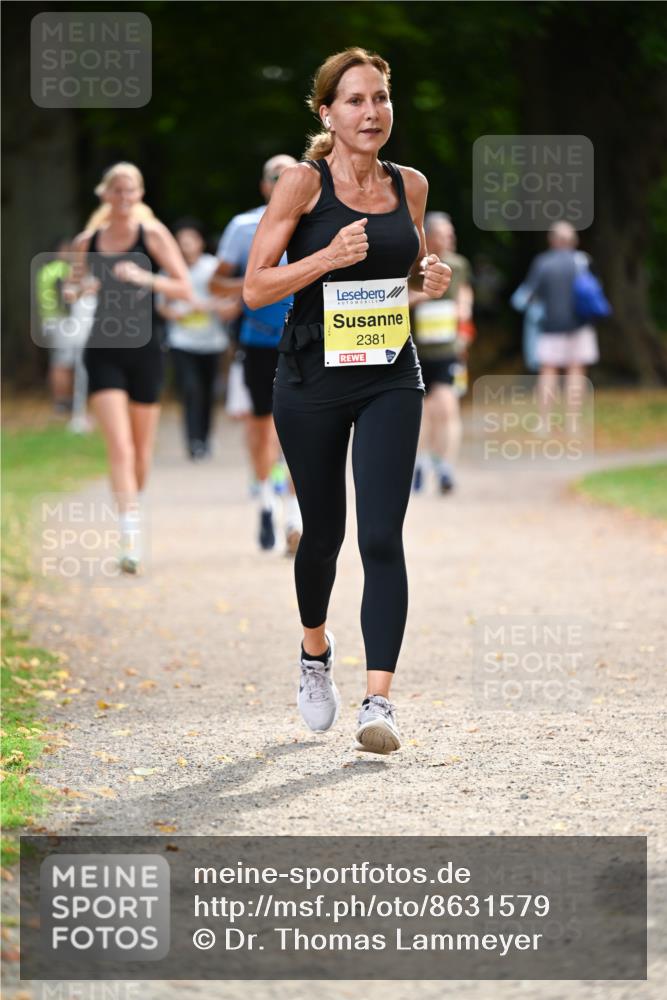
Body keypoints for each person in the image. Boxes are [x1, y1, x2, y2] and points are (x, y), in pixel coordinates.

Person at [243, 48, 451, 753]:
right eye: (356, 100)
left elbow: (406, 265)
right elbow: (255, 287)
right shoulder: (302, 185)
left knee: (380, 537)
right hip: (309, 378)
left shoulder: (410, 184)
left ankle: (379, 702)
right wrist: (325, 258)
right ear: (326, 113)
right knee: (324, 534)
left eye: (381, 99)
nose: (372, 112)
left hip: (390, 370)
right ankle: (313, 650)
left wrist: (428, 275)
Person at [69, 162, 191, 573]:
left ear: (139, 195)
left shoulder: (151, 235)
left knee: (140, 453)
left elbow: (184, 287)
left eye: (131, 190)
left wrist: (145, 278)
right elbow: (70, 289)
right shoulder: (87, 242)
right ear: (104, 194)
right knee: (119, 447)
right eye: (116, 191)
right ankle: (130, 536)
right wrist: (82, 288)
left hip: (145, 350)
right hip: (102, 350)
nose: (123, 198)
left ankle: (130, 511)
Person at [212, 155, 302, 554]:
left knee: (301, 429)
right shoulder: (243, 226)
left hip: (307, 341)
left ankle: (296, 518)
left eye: (290, 175)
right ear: (265, 185)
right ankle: (266, 500)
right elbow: (217, 284)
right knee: (262, 428)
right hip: (259, 341)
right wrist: (253, 287)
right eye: (275, 177)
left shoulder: (318, 220)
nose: (283, 182)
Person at [157, 219, 234, 460]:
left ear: (200, 242)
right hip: (182, 341)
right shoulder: (170, 269)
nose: (186, 246)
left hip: (212, 342)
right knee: (191, 390)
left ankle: (206, 436)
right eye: (181, 242)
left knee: (209, 393)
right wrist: (178, 313)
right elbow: (162, 306)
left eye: (190, 241)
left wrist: (212, 307)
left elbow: (230, 299)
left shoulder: (213, 267)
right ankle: (193, 442)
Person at [411, 212, 475, 494]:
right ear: (430, 235)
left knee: (447, 406)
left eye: (451, 233)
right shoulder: (416, 262)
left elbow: (464, 294)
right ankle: (420, 463)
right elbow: (402, 298)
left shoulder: (459, 264)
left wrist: (464, 324)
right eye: (443, 233)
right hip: (415, 349)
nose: (450, 238)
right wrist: (429, 292)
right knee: (422, 412)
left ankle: (445, 466)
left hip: (448, 349)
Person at [519, 220, 599, 431]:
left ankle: (544, 422)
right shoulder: (582, 261)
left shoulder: (542, 263)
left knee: (548, 373)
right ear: (574, 240)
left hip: (550, 328)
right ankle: (573, 423)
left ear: (552, 240)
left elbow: (526, 296)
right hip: (580, 326)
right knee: (576, 373)